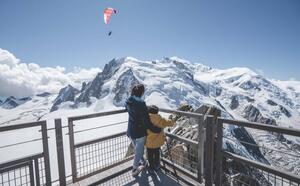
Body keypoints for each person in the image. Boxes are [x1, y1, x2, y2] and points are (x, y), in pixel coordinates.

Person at [125, 84, 161, 177]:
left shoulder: (128, 100)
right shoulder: (141, 103)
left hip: (130, 130)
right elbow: (146, 121)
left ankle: (144, 162)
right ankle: (134, 169)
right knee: (139, 151)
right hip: (139, 131)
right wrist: (156, 129)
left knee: (137, 149)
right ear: (141, 92)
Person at [145, 105, 175, 174]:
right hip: (158, 143)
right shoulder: (161, 119)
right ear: (157, 112)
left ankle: (151, 168)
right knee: (157, 153)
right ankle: (157, 165)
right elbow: (169, 123)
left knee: (149, 155)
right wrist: (173, 120)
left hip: (149, 142)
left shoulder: (146, 119)